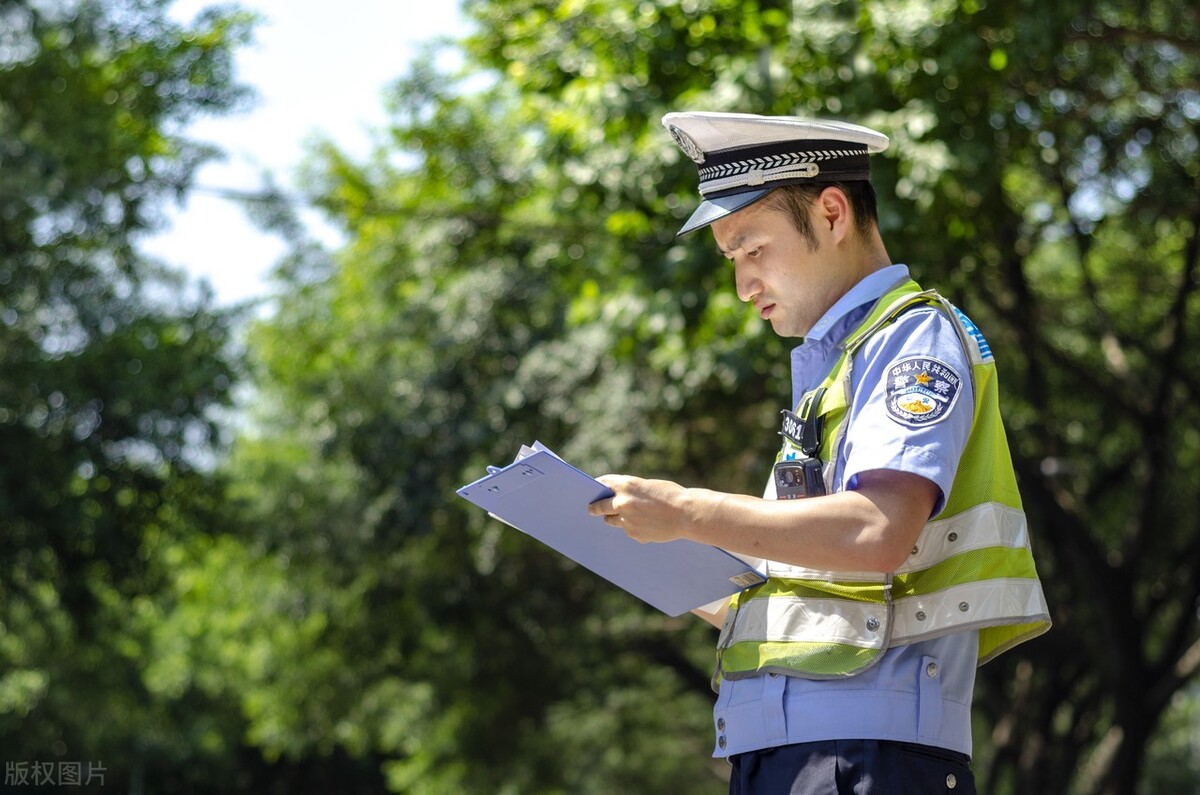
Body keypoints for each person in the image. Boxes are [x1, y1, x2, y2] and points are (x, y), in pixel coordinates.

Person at [586, 112, 1051, 795]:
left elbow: (876, 531)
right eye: (731, 260)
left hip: (863, 758)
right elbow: (808, 583)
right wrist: (648, 543)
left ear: (832, 212)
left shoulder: (911, 339)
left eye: (752, 249)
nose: (743, 287)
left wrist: (688, 510)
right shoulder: (838, 369)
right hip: (801, 756)